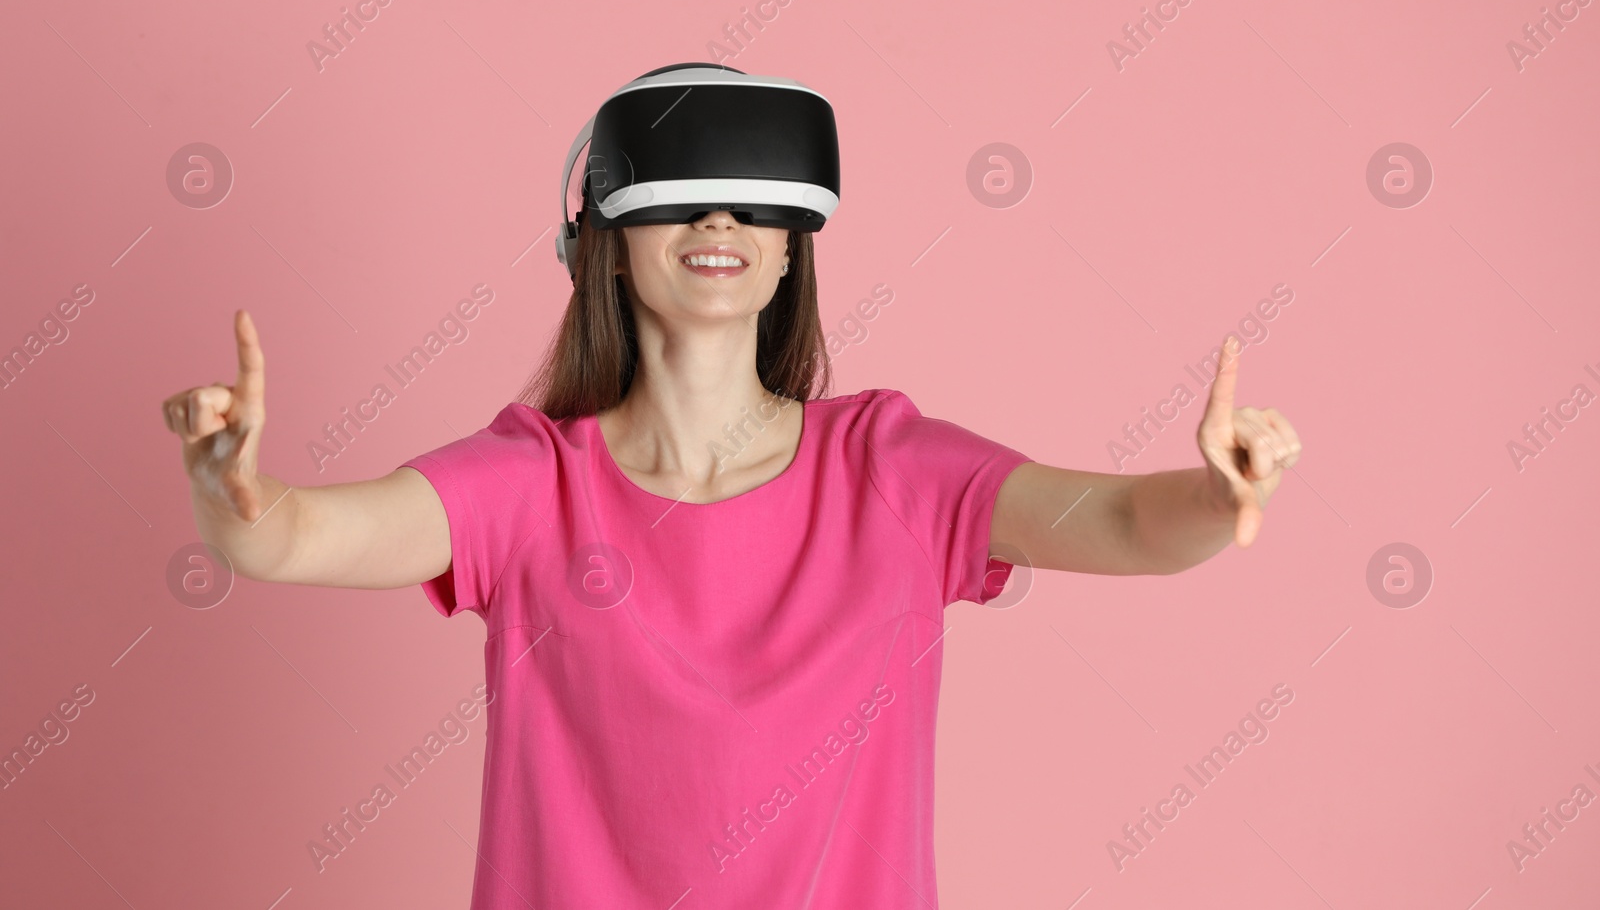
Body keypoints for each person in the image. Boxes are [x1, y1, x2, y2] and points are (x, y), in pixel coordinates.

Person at [162, 208, 1301, 908]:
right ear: (602, 243)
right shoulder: (527, 483)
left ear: (793, 247)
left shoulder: (892, 467)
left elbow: (1127, 526)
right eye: (682, 192)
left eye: (758, 198)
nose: (720, 216)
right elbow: (291, 533)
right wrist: (230, 488)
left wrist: (1217, 490)